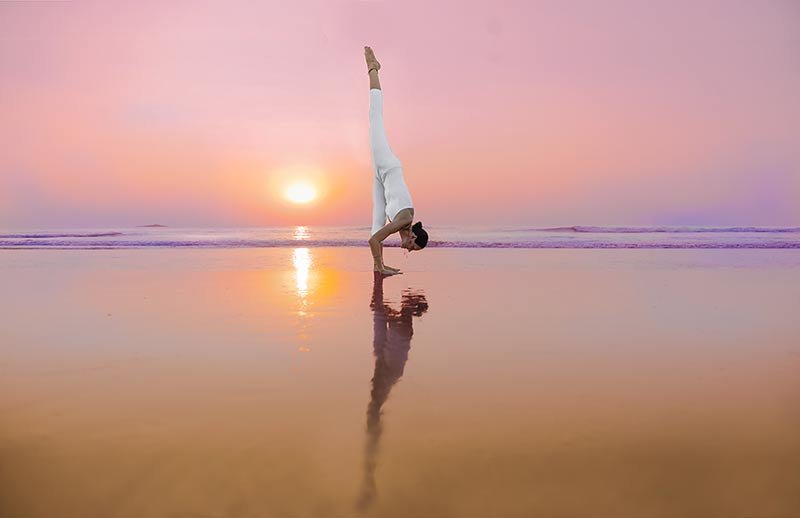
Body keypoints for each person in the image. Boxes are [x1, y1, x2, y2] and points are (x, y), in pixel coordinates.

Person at [365, 46, 429, 276]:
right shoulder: (404, 220)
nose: (409, 250)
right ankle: (373, 68)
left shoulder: (403, 225)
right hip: (387, 166)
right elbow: (374, 240)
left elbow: (375, 235)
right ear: (412, 236)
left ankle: (379, 267)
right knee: (375, 118)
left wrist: (381, 264)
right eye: (413, 246)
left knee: (376, 221)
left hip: (381, 176)